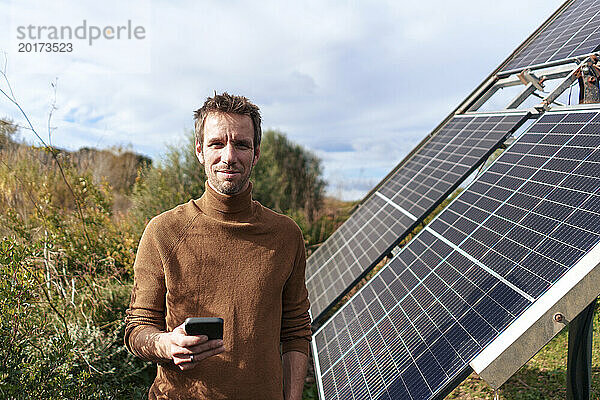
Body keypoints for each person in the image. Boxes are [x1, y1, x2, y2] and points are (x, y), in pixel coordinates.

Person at [125, 92, 312, 400]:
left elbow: (295, 331)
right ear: (200, 151)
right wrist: (166, 344)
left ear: (256, 153)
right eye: (216, 143)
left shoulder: (285, 235)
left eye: (241, 144)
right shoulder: (164, 231)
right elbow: (138, 328)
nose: (229, 156)